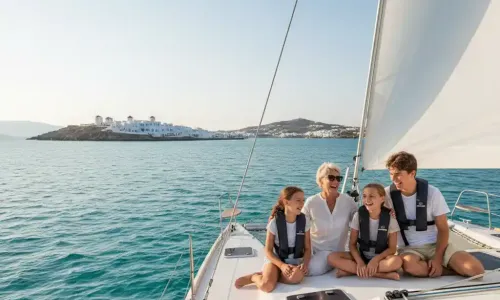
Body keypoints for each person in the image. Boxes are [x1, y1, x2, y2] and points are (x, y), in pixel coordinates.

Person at [384, 151, 484, 278]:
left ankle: (434, 267)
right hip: (410, 249)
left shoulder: (432, 193)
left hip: (435, 246)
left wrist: (437, 259)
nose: (393, 179)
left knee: (476, 271)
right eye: (391, 174)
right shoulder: (387, 194)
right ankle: (445, 271)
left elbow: (443, 229)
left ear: (412, 173)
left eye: (398, 174)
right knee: (410, 267)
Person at [234, 186, 311, 292]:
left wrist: (305, 263)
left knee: (297, 277)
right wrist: (282, 265)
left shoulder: (305, 221)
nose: (302, 204)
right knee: (266, 286)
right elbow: (268, 250)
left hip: (294, 261)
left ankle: (271, 275)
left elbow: (307, 248)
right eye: (298, 200)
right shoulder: (274, 223)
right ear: (286, 202)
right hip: (275, 261)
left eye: (303, 200)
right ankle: (254, 277)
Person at [328, 183, 403, 280]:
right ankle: (380, 274)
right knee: (332, 257)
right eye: (364, 196)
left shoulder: (390, 219)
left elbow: (392, 249)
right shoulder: (358, 216)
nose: (367, 200)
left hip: (381, 259)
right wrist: (359, 262)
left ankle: (353, 271)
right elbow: (352, 244)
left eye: (371, 196)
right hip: (361, 255)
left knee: (397, 261)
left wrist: (376, 260)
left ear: (382, 198)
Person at [302, 162, 357, 276]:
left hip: (340, 253)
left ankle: (344, 268)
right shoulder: (311, 202)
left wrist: (385, 211)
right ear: (321, 181)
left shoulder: (348, 201)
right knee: (309, 270)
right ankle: (344, 268)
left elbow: (363, 219)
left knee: (310, 271)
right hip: (318, 252)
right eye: (331, 178)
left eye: (338, 178)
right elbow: (298, 224)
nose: (336, 182)